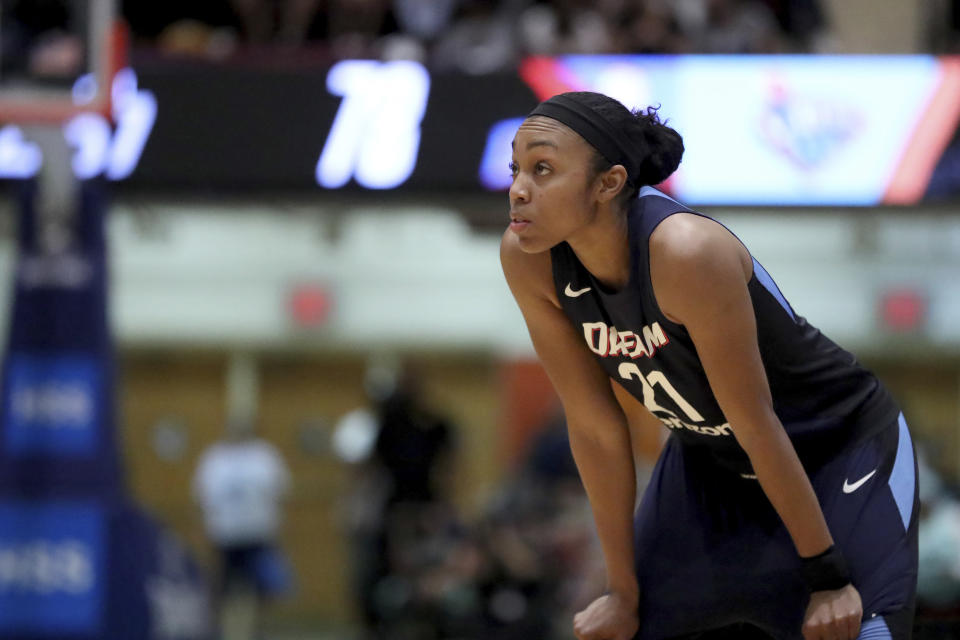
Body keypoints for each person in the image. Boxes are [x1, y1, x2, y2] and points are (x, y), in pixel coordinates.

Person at [499, 91, 918, 640]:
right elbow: (596, 429)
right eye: (516, 168)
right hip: (710, 461)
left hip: (836, 447)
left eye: (543, 168)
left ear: (609, 183)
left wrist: (827, 575)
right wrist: (620, 591)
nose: (518, 188)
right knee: (626, 627)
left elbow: (756, 421)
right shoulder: (527, 260)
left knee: (861, 631)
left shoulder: (686, 250)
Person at [192, 416, 293, 639]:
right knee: (221, 589)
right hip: (224, 535)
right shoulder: (215, 457)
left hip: (258, 534)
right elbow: (201, 496)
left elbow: (281, 491)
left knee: (263, 590)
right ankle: (218, 630)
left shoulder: (264, 456)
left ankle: (258, 630)